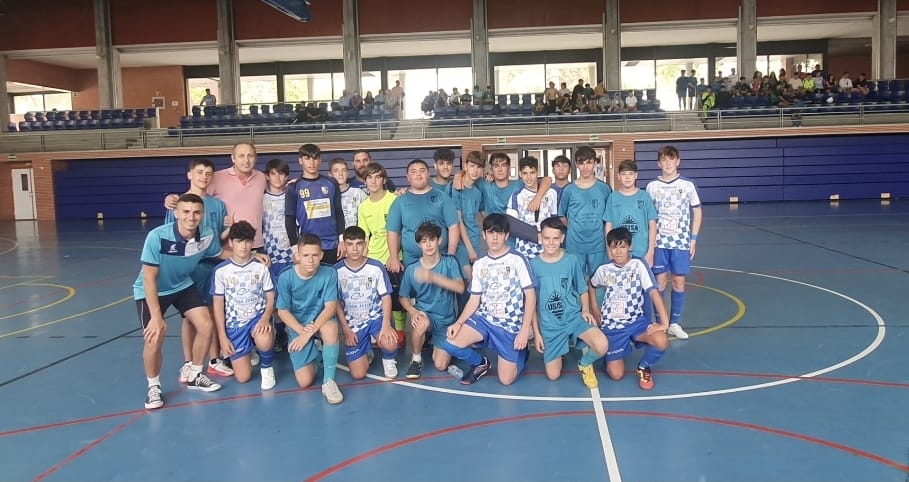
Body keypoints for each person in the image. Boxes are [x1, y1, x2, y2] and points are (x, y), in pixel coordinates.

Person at [135, 193, 225, 410]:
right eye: (185, 212)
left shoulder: (207, 234)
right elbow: (148, 278)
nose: (191, 217)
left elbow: (220, 253)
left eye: (196, 212)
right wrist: (156, 317)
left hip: (182, 284)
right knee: (154, 337)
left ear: (202, 214)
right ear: (176, 213)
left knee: (206, 325)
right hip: (152, 290)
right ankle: (153, 387)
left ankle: (195, 374)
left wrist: (251, 256)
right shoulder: (157, 237)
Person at [440, 214, 536, 385]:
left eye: (499, 233)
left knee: (506, 380)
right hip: (484, 319)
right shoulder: (480, 263)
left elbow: (530, 296)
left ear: (507, 235)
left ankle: (521, 352)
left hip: (509, 324)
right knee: (450, 343)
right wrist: (459, 323)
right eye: (491, 233)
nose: (495, 238)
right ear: (484, 235)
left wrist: (524, 331)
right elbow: (474, 299)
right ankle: (481, 363)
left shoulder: (517, 259)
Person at [164, 159, 234, 381]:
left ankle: (214, 360)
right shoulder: (177, 204)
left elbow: (219, 239)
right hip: (189, 269)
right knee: (190, 317)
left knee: (212, 314)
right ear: (189, 175)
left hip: (213, 268)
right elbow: (170, 238)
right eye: (200, 172)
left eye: (208, 173)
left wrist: (230, 230)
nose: (204, 176)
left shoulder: (218, 205)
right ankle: (188, 363)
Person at [530, 217, 608, 387]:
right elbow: (531, 304)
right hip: (550, 326)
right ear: (540, 238)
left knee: (602, 345)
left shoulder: (571, 260)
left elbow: (582, 289)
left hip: (573, 318)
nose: (551, 242)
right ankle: (561, 348)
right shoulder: (533, 265)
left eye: (555, 238)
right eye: (547, 238)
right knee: (553, 376)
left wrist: (585, 309)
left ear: (562, 238)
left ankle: (584, 364)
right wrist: (536, 332)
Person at [589, 227, 670, 390]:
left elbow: (654, 293)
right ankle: (610, 355)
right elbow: (591, 285)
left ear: (630, 246)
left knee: (661, 340)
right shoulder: (604, 269)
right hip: (613, 326)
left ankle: (644, 367)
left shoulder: (638, 265)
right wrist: (595, 309)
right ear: (609, 248)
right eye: (614, 247)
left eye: (623, 246)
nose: (618, 251)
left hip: (636, 322)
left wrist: (664, 323)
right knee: (616, 375)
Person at [276, 233, 344, 404]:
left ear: (321, 255)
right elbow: (282, 311)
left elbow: (330, 307)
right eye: (306, 255)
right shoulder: (286, 277)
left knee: (331, 329)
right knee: (305, 381)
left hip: (320, 321)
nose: (311, 260)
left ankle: (329, 382)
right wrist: (301, 331)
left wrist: (308, 334)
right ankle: (318, 356)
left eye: (315, 255)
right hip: (298, 325)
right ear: (298, 256)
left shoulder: (329, 273)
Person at [645, 145, 702, 340]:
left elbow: (697, 211)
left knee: (678, 281)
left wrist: (693, 239)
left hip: (680, 243)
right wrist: (649, 243)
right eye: (664, 160)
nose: (667, 163)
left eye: (671, 159)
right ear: (658, 163)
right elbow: (648, 216)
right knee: (659, 283)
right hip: (659, 243)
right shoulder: (652, 186)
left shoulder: (687, 185)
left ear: (678, 161)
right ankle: (661, 322)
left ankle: (674, 323)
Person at [211, 221, 276, 390]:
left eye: (248, 241)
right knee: (243, 378)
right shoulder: (221, 271)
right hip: (235, 324)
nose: (244, 246)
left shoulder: (261, 267)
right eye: (239, 241)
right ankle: (247, 348)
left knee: (263, 337)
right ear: (231, 242)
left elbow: (271, 296)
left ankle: (267, 368)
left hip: (257, 318)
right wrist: (222, 336)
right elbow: (218, 305)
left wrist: (265, 318)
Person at [399, 222, 465, 379]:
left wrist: (433, 277)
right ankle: (416, 359)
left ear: (439, 241)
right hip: (425, 316)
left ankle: (431, 341)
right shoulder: (412, 269)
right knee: (421, 322)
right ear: (419, 244)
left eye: (431, 240)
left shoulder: (450, 262)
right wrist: (413, 311)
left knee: (441, 365)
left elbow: (460, 288)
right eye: (424, 241)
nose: (428, 245)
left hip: (446, 321)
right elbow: (403, 296)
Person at [334, 226, 399, 379]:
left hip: (375, 318)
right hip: (353, 324)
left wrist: (386, 325)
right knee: (358, 375)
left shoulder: (376, 267)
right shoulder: (336, 271)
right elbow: (336, 303)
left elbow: (386, 297)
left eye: (359, 243)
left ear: (365, 244)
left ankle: (388, 359)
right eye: (350, 244)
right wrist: (346, 330)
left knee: (390, 342)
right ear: (344, 245)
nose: (355, 249)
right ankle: (366, 351)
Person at [357, 162, 408, 347]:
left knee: (397, 299)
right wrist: (363, 261)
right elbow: (364, 236)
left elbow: (401, 230)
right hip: (374, 259)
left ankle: (400, 331)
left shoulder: (395, 199)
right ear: (365, 181)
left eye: (377, 177)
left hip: (394, 258)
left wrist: (393, 256)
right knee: (376, 298)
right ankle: (378, 330)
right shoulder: (363, 207)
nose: (373, 181)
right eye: (369, 177)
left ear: (384, 180)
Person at [386, 159, 460, 274]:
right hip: (412, 262)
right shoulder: (400, 202)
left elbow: (453, 227)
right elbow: (392, 232)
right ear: (407, 177)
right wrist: (394, 258)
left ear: (429, 174)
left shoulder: (442, 197)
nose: (418, 174)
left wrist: (450, 256)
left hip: (441, 259)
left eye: (422, 170)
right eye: (413, 172)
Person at [285, 143, 345, 265]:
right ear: (300, 161)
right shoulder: (293, 187)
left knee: (332, 276)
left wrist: (341, 240)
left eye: (315, 158)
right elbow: (290, 218)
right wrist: (295, 247)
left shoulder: (331, 183)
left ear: (320, 160)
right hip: (308, 246)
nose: (311, 163)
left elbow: (339, 212)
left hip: (332, 245)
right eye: (307, 158)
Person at [558, 146, 612, 278]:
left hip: (598, 245)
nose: (585, 167)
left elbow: (610, 218)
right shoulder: (569, 190)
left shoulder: (604, 189)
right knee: (577, 282)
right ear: (577, 165)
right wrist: (574, 227)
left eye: (589, 162)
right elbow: (561, 215)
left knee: (598, 282)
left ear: (595, 163)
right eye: (581, 163)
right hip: (575, 245)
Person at [261, 158, 293, 351]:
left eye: (281, 173)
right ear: (267, 176)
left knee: (293, 297)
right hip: (271, 257)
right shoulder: (261, 198)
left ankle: (301, 332)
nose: (277, 177)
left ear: (286, 176)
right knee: (273, 299)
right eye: (273, 173)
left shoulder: (292, 195)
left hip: (292, 255)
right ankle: (280, 332)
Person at [604, 159, 657, 267]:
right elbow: (608, 225)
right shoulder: (613, 197)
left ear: (636, 175)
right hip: (619, 252)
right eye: (624, 174)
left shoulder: (644, 196)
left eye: (631, 174)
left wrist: (651, 252)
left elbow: (652, 225)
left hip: (642, 251)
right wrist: (610, 251)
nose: (627, 177)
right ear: (618, 176)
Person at [506, 156, 559, 260]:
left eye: (532, 172)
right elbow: (511, 224)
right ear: (520, 174)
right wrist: (534, 235)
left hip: (547, 248)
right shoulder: (517, 196)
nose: (529, 177)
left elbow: (554, 219)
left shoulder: (551, 193)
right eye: (525, 173)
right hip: (524, 249)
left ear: (538, 172)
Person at [452, 151, 486, 281]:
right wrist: (470, 249)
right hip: (461, 243)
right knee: (468, 280)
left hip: (476, 240)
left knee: (479, 280)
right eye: (472, 166)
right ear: (465, 166)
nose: (475, 170)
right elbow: (458, 221)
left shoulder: (478, 191)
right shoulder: (456, 187)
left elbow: (484, 214)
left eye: (479, 167)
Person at [329, 158, 366, 229]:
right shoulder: (327, 196)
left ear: (347, 173)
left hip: (356, 234)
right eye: (336, 171)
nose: (340, 174)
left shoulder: (358, 193)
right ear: (330, 174)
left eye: (343, 170)